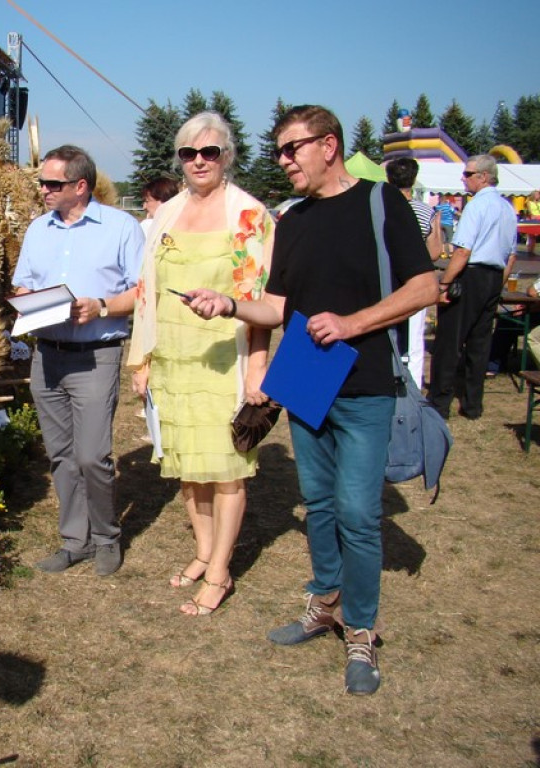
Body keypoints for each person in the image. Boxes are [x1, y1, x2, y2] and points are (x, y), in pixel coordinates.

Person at [184, 105, 437, 695]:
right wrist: (229, 304)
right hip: (304, 379)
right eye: (278, 151)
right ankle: (323, 602)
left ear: (329, 145)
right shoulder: (292, 221)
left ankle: (361, 631)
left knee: (356, 512)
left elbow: (425, 286)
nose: (283, 160)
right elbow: (276, 306)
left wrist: (352, 324)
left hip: (366, 381)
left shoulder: (381, 203)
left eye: (291, 148)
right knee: (318, 504)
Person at [127, 112, 273, 617]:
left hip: (223, 362)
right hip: (173, 359)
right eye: (189, 153)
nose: (199, 161)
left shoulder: (249, 215)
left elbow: (261, 304)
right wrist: (142, 358)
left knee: (227, 470)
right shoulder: (165, 214)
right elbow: (147, 292)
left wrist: (257, 369)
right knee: (190, 468)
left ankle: (219, 571)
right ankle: (203, 551)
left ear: (227, 156)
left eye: (209, 152)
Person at [12, 145, 144, 577]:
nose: (44, 190)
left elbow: (143, 292)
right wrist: (32, 303)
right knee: (60, 454)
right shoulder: (38, 230)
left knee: (92, 456)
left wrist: (102, 306)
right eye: (42, 183)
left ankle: (107, 537)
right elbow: (23, 288)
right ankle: (75, 540)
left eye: (52, 183)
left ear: (80, 186)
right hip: (47, 356)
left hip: (95, 355)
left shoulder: (122, 227)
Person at [429, 154, 518, 420]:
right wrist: (497, 283)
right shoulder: (507, 209)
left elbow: (463, 250)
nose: (463, 179)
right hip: (493, 276)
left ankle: (439, 402)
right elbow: (511, 255)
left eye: (467, 174)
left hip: (471, 274)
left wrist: (444, 283)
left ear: (483, 177)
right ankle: (472, 404)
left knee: (449, 341)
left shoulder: (476, 207)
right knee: (480, 343)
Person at [385, 157, 443, 387]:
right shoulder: (423, 211)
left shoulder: (381, 210)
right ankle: (413, 388)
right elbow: (435, 252)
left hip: (386, 280)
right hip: (414, 280)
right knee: (415, 340)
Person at [524, 190, 540, 256]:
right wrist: (531, 216)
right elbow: (529, 211)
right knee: (532, 236)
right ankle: (530, 250)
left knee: (536, 236)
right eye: (537, 194)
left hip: (539, 218)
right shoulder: (529, 202)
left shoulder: (539, 203)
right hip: (533, 218)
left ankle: (532, 250)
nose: (538, 196)